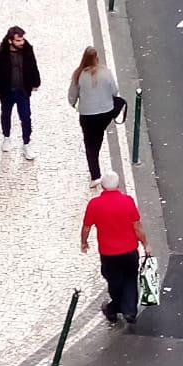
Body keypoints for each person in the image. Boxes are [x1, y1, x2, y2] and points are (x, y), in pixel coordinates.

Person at [81, 171, 148, 328]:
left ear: (103, 186)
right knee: (131, 279)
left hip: (109, 253)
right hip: (130, 250)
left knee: (114, 281)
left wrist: (84, 242)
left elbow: (86, 227)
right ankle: (130, 310)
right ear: (117, 185)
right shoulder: (128, 201)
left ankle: (114, 308)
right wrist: (145, 244)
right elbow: (137, 226)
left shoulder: (94, 204)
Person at [68, 45, 123, 181]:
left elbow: (72, 95)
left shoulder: (78, 74)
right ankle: (95, 156)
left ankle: (95, 174)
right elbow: (115, 91)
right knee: (97, 137)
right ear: (97, 58)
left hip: (87, 115)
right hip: (105, 114)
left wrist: (73, 103)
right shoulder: (106, 72)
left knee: (89, 142)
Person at [0, 25, 41, 158]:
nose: (21, 43)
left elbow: (33, 65)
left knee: (26, 117)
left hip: (23, 91)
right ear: (10, 40)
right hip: (7, 91)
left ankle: (26, 143)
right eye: (18, 40)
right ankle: (6, 137)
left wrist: (36, 82)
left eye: (22, 40)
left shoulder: (27, 50)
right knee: (6, 114)